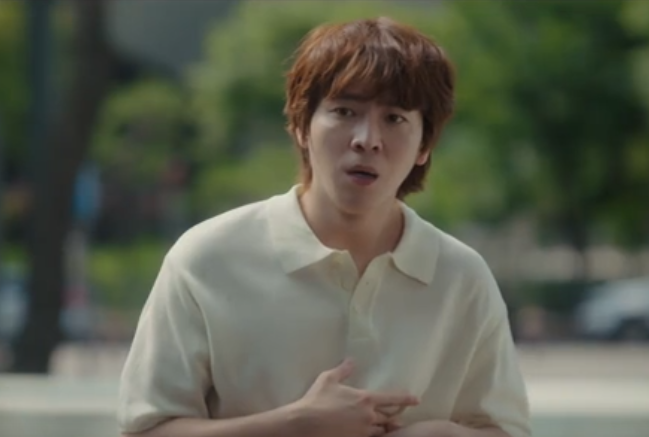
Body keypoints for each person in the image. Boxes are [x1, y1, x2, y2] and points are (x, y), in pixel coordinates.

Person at [116, 16, 531, 437]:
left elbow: (505, 429)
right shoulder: (207, 258)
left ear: (424, 145)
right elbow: (146, 429)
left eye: (394, 118)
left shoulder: (462, 277)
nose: (367, 139)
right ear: (301, 126)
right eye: (345, 112)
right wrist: (296, 424)